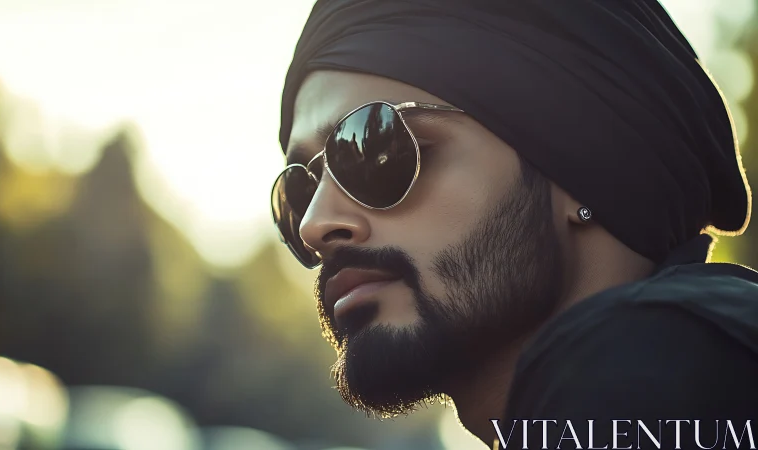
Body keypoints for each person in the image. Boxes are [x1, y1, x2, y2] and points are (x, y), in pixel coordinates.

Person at [270, 1, 758, 448]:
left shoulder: (645, 369)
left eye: (374, 149)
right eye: (300, 190)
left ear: (580, 164)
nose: (315, 225)